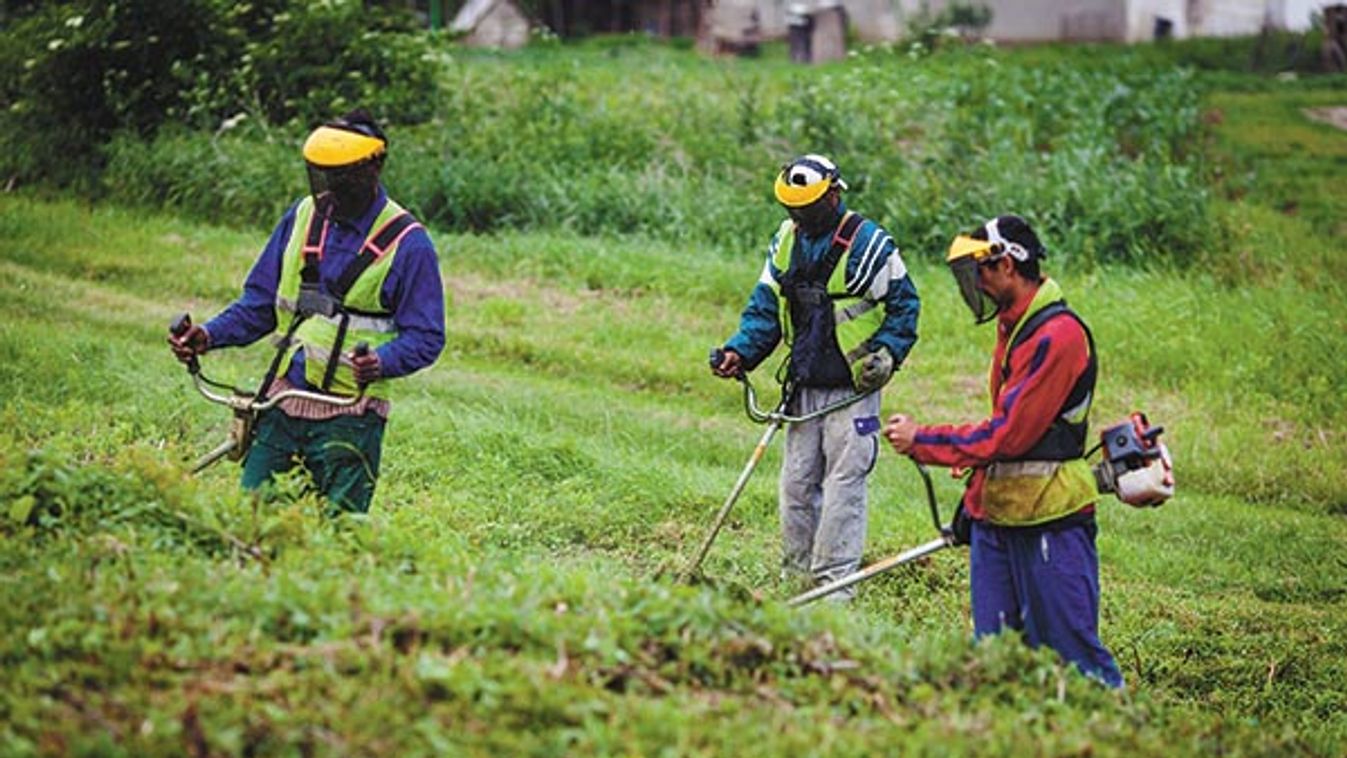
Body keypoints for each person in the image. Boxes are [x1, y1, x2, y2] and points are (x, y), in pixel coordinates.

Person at [883, 214, 1123, 688]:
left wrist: (924, 441)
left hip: (1050, 516)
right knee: (994, 656)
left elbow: (1009, 435)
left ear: (1007, 265)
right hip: (1000, 514)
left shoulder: (1058, 335)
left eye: (980, 271)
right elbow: (1006, 442)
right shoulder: (1016, 325)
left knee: (1073, 657)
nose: (976, 285)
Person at [168, 109, 445, 515]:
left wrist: (381, 363)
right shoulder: (302, 217)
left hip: (352, 414)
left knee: (338, 534)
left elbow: (426, 337)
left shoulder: (409, 244)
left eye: (345, 173)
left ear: (375, 166)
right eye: (325, 173)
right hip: (284, 403)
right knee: (252, 516)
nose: (333, 184)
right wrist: (209, 335)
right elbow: (261, 303)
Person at [711, 154, 920, 598]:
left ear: (833, 194)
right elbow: (765, 310)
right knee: (796, 486)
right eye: (792, 209)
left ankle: (833, 591)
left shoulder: (871, 245)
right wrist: (739, 351)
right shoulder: (786, 241)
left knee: (844, 486)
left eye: (806, 209)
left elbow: (906, 308)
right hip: (804, 385)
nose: (799, 218)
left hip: (853, 391)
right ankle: (796, 581)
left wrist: (888, 354)